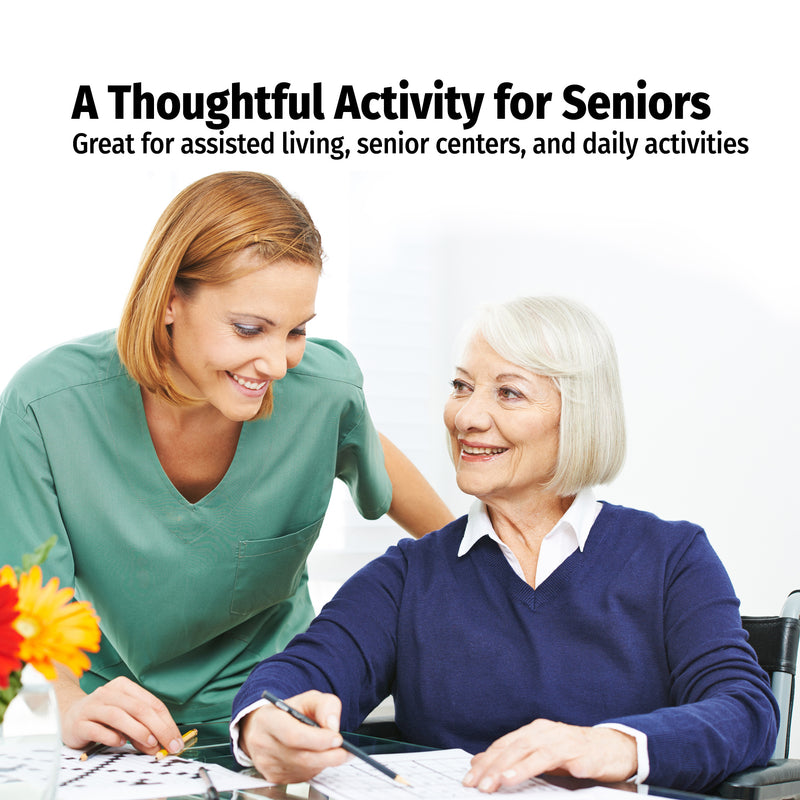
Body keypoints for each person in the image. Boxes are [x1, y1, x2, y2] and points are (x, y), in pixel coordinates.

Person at [231, 296, 778, 794]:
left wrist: (605, 746)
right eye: (462, 386)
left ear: (578, 414)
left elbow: (745, 711)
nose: (466, 417)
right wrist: (263, 723)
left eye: (509, 392)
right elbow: (297, 674)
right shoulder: (408, 575)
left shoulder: (672, 557)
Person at [0, 171, 452, 758]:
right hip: (121, 722)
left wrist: (502, 587)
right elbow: (36, 593)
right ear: (168, 300)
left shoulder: (321, 393)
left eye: (296, 332)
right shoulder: (46, 406)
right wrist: (70, 701)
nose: (277, 364)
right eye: (248, 328)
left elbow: (432, 525)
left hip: (278, 708)